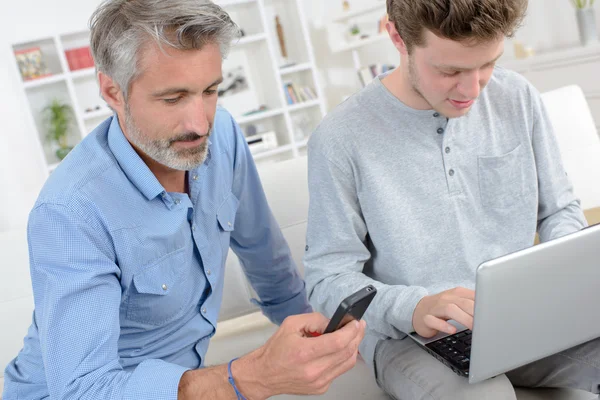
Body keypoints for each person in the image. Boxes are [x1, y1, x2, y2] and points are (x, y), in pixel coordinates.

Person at [2, 1, 366, 399]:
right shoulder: (71, 213)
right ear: (112, 91)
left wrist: (316, 342)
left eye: (210, 90)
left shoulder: (222, 134)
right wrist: (247, 377)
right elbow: (83, 391)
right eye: (173, 98)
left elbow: (268, 262)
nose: (199, 123)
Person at [304, 0, 600, 399]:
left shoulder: (517, 97)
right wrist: (415, 307)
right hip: (410, 338)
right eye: (450, 70)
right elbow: (327, 278)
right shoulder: (341, 138)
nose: (472, 89)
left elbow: (560, 210)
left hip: (525, 320)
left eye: (488, 64)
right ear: (397, 37)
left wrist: (563, 278)